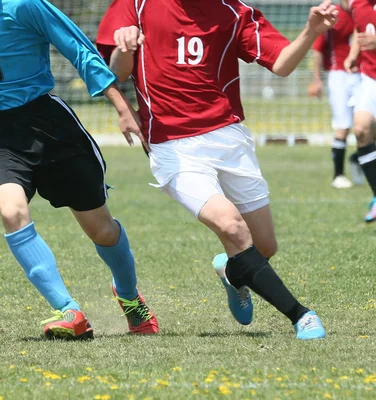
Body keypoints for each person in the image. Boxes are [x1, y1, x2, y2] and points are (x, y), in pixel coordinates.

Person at [97, 0, 338, 339]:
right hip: (173, 145)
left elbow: (282, 64)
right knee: (232, 227)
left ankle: (230, 271)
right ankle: (301, 315)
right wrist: (125, 47)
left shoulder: (234, 11)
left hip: (229, 138)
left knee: (263, 247)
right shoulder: (136, 5)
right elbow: (117, 71)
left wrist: (310, 31)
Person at [0, 0, 159, 340]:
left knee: (102, 230)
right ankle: (69, 310)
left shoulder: (22, 5)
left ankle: (128, 296)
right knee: (12, 210)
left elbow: (76, 46)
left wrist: (122, 106)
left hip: (50, 128)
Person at [308, 2, 362, 189]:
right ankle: (338, 175)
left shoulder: (366, 11)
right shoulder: (332, 15)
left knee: (368, 125)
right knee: (343, 127)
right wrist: (317, 80)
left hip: (366, 75)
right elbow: (317, 49)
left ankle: (358, 158)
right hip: (339, 76)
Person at [345, 0, 376, 222]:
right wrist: (353, 54)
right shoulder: (354, 3)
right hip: (369, 77)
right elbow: (360, 30)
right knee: (362, 129)